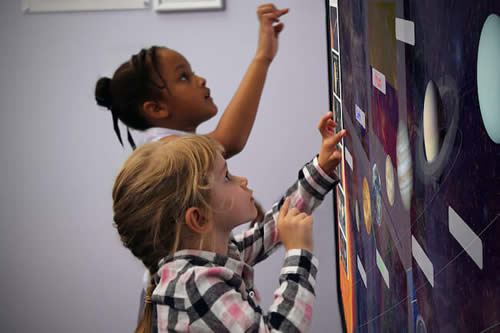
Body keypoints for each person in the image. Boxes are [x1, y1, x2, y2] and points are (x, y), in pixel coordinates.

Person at [112, 112, 346, 332]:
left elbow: (273, 228)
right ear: (199, 218)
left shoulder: (211, 252)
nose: (241, 180)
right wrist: (298, 252)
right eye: (226, 177)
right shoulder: (195, 286)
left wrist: (320, 171)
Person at [94, 4, 289, 158]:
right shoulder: (168, 152)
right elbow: (229, 141)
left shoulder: (171, 145)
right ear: (156, 109)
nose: (201, 80)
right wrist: (263, 57)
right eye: (184, 77)